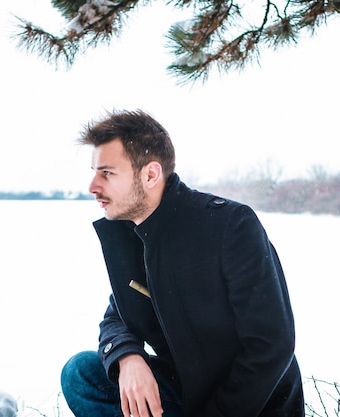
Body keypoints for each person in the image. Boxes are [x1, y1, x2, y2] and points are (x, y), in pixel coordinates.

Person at [60, 110, 304, 417]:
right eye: (95, 172)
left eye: (107, 173)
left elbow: (271, 345)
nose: (92, 186)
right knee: (80, 373)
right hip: (181, 392)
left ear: (150, 174)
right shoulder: (132, 234)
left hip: (249, 406)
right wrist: (128, 357)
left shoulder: (229, 225)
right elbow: (117, 315)